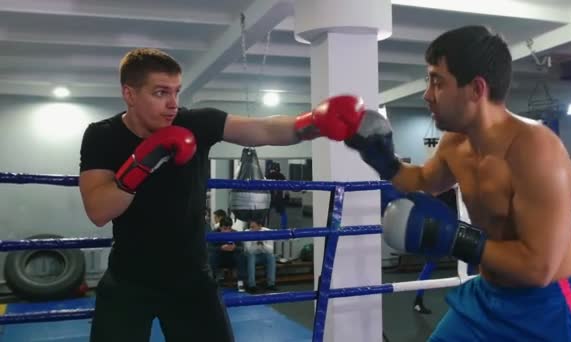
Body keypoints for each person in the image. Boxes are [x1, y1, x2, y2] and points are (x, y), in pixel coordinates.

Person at [78, 48, 366, 341]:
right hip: (129, 278)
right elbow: (99, 211)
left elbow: (263, 129)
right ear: (129, 94)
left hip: (191, 278)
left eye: (176, 92)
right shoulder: (102, 135)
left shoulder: (196, 123)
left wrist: (311, 125)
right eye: (161, 93)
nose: (172, 104)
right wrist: (146, 160)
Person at [345, 26, 571, 340]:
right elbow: (423, 181)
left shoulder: (536, 152)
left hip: (546, 311)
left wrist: (455, 238)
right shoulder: (455, 143)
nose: (427, 95)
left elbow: (538, 268)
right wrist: (385, 161)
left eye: (438, 82)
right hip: (487, 298)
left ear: (476, 89)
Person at [208, 217, 246, 287]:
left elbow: (242, 248)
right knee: (212, 256)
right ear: (220, 227)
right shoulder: (213, 234)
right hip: (219, 258)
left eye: (229, 229)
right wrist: (221, 248)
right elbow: (209, 248)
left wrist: (235, 248)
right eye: (225, 229)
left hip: (232, 257)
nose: (227, 231)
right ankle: (214, 281)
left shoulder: (235, 233)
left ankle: (241, 283)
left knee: (241, 256)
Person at [243, 219, 277, 293]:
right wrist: (257, 242)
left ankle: (271, 284)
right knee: (251, 256)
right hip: (250, 257)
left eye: (253, 227)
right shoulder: (247, 232)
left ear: (260, 226)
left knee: (271, 256)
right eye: (250, 227)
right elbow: (249, 250)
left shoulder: (268, 232)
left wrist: (263, 244)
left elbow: (271, 250)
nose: (251, 229)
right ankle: (251, 285)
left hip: (263, 255)